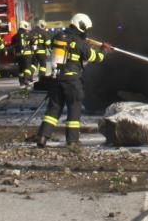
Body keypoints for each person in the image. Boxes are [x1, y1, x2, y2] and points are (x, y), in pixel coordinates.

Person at [37, 13, 108, 147]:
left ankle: (42, 137)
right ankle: (72, 141)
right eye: (85, 28)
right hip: (72, 81)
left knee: (53, 109)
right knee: (74, 109)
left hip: (56, 79)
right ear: (81, 26)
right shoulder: (79, 43)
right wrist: (103, 50)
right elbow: (94, 57)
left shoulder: (58, 36)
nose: (86, 31)